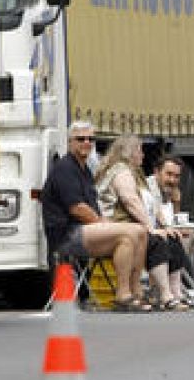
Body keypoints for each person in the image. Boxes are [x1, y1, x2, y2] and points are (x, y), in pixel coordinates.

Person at [39, 121, 149, 311]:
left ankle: (134, 290)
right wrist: (103, 223)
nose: (86, 143)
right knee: (127, 234)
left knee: (140, 231)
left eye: (91, 139)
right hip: (66, 235)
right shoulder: (65, 168)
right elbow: (77, 208)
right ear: (70, 142)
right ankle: (123, 295)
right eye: (81, 139)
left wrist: (104, 223)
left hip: (84, 231)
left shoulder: (84, 169)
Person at [94, 135, 186, 311]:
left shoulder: (136, 173)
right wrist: (151, 228)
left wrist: (166, 227)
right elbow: (130, 201)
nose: (143, 154)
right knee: (156, 241)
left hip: (135, 227)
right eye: (140, 150)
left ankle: (176, 294)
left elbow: (151, 205)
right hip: (118, 228)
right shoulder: (120, 171)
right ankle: (165, 296)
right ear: (130, 152)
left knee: (173, 238)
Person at [145, 155, 194, 306]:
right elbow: (156, 218)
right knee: (174, 239)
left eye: (177, 176)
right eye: (169, 174)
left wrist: (176, 202)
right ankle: (167, 290)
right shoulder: (149, 188)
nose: (172, 180)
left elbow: (172, 220)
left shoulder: (169, 190)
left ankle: (175, 288)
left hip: (159, 232)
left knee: (192, 238)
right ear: (157, 172)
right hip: (146, 232)